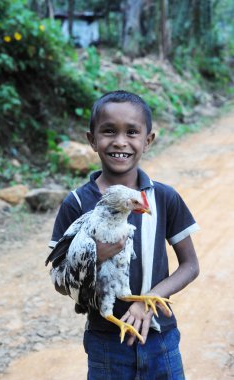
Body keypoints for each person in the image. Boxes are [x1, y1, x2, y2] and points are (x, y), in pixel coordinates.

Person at [49, 90, 200, 379]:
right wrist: (95, 256)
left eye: (132, 132)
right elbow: (59, 278)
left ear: (148, 140)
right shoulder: (78, 203)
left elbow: (191, 265)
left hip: (160, 337)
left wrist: (150, 299)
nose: (120, 141)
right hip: (106, 341)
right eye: (108, 131)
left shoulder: (164, 198)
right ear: (92, 139)